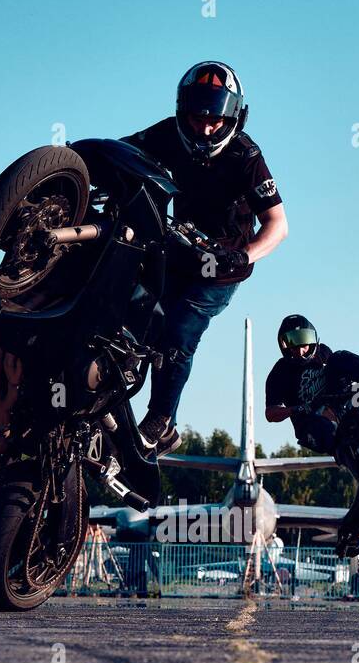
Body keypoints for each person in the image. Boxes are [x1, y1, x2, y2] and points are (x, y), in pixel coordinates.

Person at [123, 62, 288, 455]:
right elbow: (117, 154)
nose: (205, 128)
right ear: (184, 113)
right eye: (198, 118)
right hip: (172, 251)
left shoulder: (247, 157)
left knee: (178, 331)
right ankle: (107, 396)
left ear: (233, 117)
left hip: (220, 269)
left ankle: (162, 422)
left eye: (215, 120)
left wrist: (244, 255)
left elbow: (278, 224)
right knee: (132, 314)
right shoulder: (163, 134)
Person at [264, 314, 359, 453]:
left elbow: (341, 372)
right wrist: (299, 408)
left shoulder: (323, 352)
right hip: (311, 422)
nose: (300, 352)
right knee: (324, 427)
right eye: (294, 346)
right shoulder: (279, 373)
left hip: (338, 402)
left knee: (339, 357)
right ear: (285, 345)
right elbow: (270, 414)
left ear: (312, 341)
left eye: (303, 345)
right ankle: (348, 443)